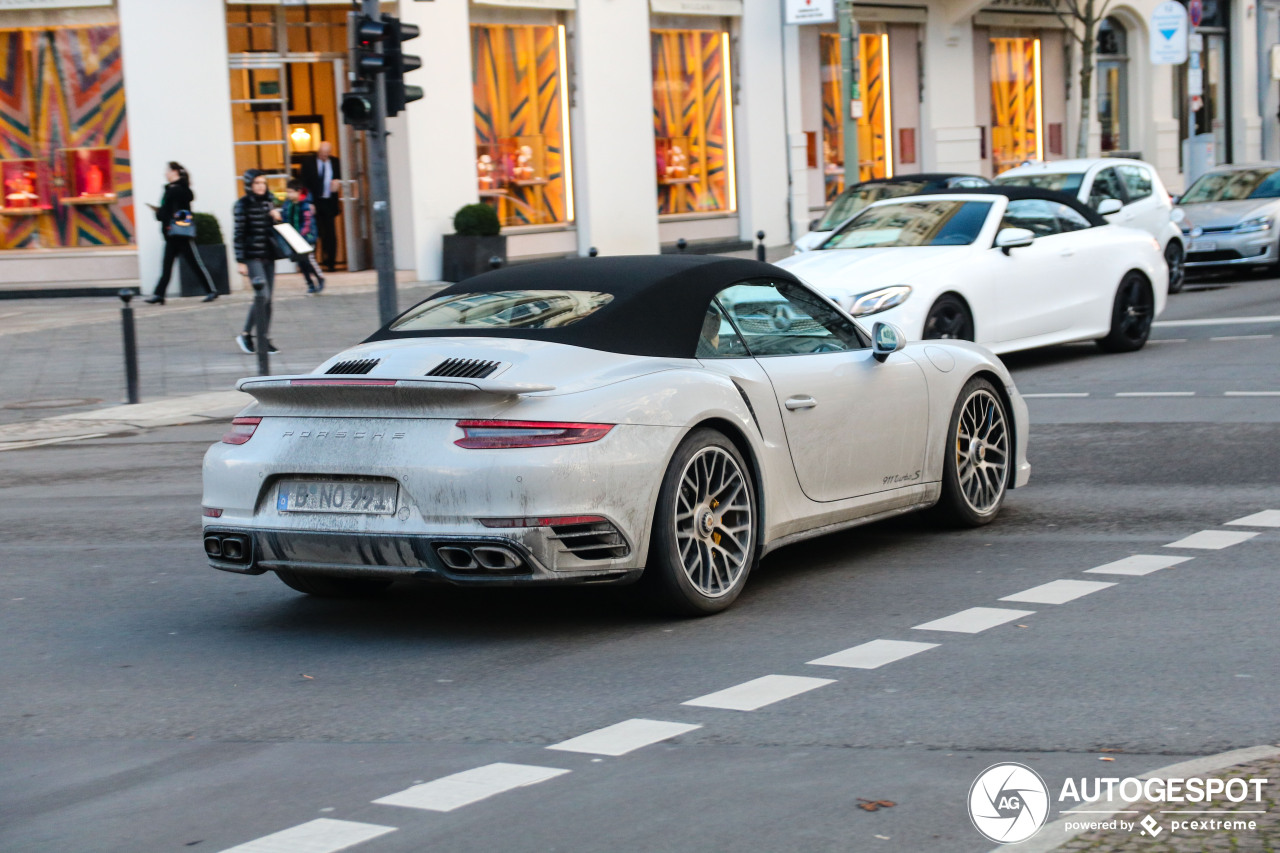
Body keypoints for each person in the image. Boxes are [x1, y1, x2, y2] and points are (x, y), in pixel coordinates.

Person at [145, 162, 217, 305]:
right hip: (171, 234)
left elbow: (183, 211)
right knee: (167, 266)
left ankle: (211, 290)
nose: (165, 173)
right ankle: (159, 294)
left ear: (174, 172)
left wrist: (166, 216)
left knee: (194, 263)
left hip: (180, 234)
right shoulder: (170, 189)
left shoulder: (180, 190)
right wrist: (161, 214)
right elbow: (168, 209)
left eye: (167, 171)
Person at [233, 170, 282, 355]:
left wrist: (276, 217)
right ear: (249, 185)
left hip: (268, 256)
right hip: (252, 256)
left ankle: (264, 338)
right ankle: (245, 334)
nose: (261, 186)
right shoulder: (242, 205)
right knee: (264, 296)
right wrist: (240, 260)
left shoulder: (269, 202)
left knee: (269, 301)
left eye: (263, 182)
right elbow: (238, 234)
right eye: (257, 183)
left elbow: (277, 231)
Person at [301, 141, 341, 271]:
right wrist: (308, 202)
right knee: (313, 233)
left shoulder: (335, 162)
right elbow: (304, 183)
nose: (324, 156)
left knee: (330, 234)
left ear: (330, 153)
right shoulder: (308, 162)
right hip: (314, 203)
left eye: (326, 154)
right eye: (322, 154)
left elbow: (341, 178)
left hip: (329, 202)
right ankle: (312, 263)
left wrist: (338, 183)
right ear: (318, 151)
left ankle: (330, 262)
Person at [280, 179, 325, 294]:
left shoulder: (305, 205)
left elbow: (307, 223)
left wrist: (301, 235)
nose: (289, 195)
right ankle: (310, 283)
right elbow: (285, 219)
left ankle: (319, 277)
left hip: (306, 238)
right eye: (287, 192)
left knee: (309, 259)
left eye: (291, 192)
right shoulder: (288, 205)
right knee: (301, 263)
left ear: (298, 191)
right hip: (294, 238)